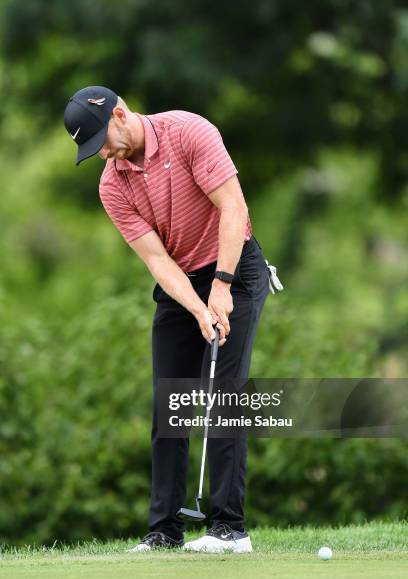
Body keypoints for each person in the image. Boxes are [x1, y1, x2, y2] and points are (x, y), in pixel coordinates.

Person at [63, 85, 281, 553]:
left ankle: (229, 529)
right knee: (171, 402)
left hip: (235, 267)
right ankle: (164, 531)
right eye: (91, 149)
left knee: (223, 394)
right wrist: (199, 308)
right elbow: (158, 261)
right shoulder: (111, 184)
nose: (102, 153)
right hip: (181, 279)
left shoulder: (187, 132)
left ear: (120, 114)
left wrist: (220, 288)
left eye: (101, 139)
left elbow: (233, 207)